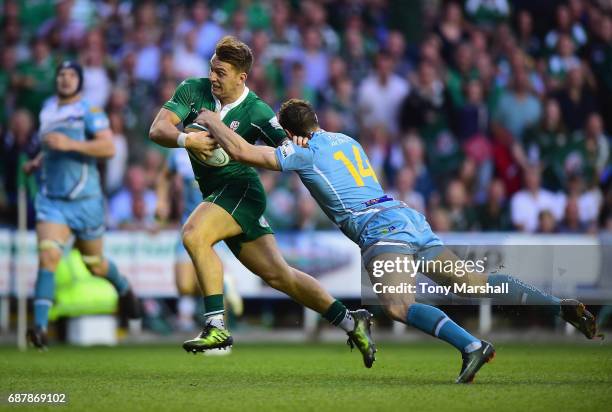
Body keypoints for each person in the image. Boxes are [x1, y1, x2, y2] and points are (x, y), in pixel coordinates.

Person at [198, 98, 602, 384]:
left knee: (396, 305)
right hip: (408, 217)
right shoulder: (346, 140)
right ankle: (556, 304)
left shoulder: (301, 153)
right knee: (474, 285)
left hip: (380, 230)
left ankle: (472, 345)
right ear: (316, 120)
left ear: (289, 132)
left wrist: (210, 120)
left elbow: (244, 152)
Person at [148, 36, 375, 366]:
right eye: (212, 69)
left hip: (242, 192)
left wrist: (297, 140)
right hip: (217, 196)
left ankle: (216, 327)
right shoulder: (192, 90)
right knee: (280, 276)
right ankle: (350, 320)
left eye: (221, 73)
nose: (213, 78)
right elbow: (157, 130)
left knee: (194, 234)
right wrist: (187, 138)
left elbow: (291, 148)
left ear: (241, 77)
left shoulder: (257, 111)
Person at [24, 61, 140, 349]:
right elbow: (52, 145)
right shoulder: (48, 108)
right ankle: (39, 328)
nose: (65, 79)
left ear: (80, 81)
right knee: (48, 257)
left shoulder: (91, 111)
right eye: (61, 74)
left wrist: (71, 145)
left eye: (71, 75)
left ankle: (124, 290)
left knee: (95, 265)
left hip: (85, 200)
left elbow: (108, 148)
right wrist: (37, 161)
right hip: (52, 199)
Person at [155, 148, 244, 332]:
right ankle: (224, 287)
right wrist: (161, 202)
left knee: (212, 282)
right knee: (184, 285)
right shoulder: (180, 153)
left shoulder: (224, 146)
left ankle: (219, 331)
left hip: (216, 225)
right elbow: (164, 176)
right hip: (189, 225)